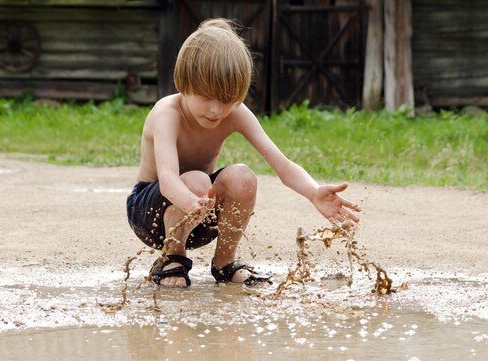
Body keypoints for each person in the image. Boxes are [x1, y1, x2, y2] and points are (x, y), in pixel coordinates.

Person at [126, 18, 360, 287]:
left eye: (227, 99)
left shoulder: (235, 113)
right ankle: (172, 258)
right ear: (184, 84)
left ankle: (225, 263)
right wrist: (191, 203)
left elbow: (281, 164)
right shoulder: (168, 113)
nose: (216, 110)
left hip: (201, 213)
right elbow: (168, 179)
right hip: (150, 213)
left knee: (243, 177)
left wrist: (313, 192)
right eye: (206, 97)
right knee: (198, 181)